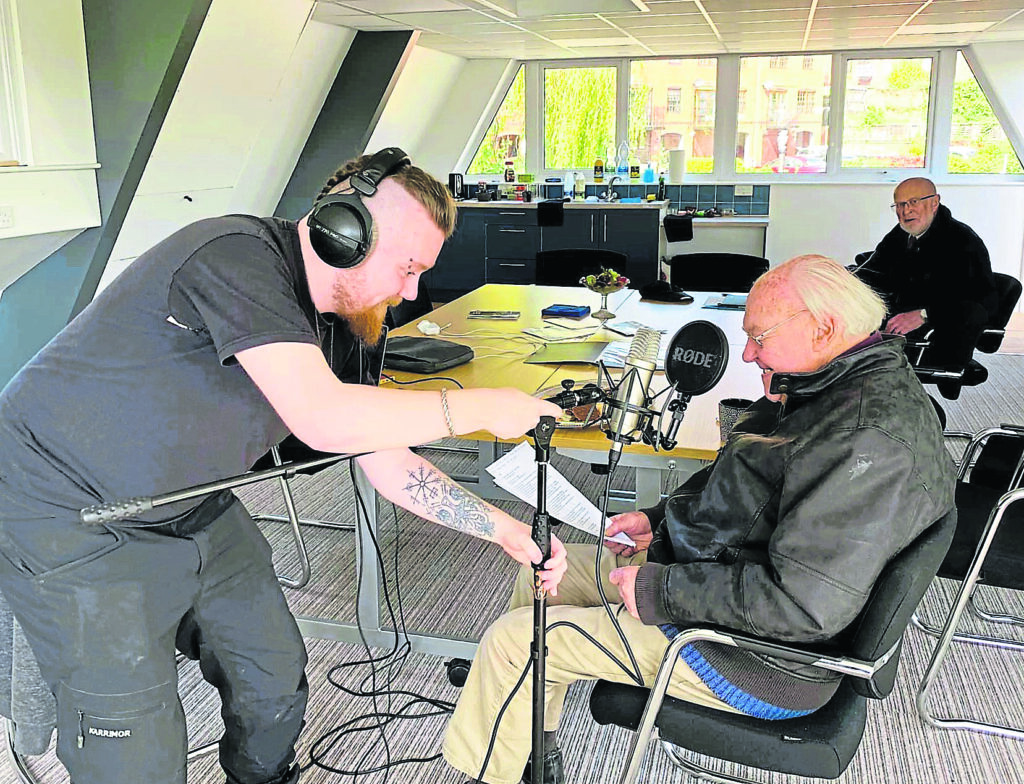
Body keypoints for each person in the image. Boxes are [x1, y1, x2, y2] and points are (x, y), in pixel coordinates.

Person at [0, 149, 566, 784]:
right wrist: (479, 408)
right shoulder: (233, 256)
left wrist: (506, 531)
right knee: (135, 750)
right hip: (69, 510)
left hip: (192, 503)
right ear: (342, 231)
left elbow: (380, 457)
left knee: (272, 680)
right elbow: (322, 416)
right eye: (406, 267)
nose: (411, 291)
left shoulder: (352, 324)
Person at [443, 255, 955, 784]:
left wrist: (659, 587)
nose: (750, 352)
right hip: (734, 586)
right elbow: (753, 485)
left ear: (823, 328)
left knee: (514, 643)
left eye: (761, 336)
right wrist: (662, 519)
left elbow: (801, 607)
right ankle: (528, 753)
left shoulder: (863, 439)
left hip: (762, 660)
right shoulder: (835, 384)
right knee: (542, 574)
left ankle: (492, 768)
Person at [856, 176, 998, 396]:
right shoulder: (903, 234)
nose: (905, 211)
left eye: (914, 202)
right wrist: (841, 284)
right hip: (896, 317)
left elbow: (978, 300)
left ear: (935, 202)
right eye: (900, 205)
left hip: (939, 330)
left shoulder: (962, 241)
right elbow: (876, 267)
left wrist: (923, 314)